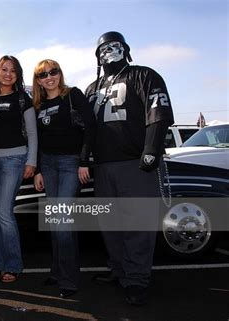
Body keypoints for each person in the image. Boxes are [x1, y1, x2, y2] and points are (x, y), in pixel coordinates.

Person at [84, 31, 174, 306]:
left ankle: (136, 279)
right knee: (110, 224)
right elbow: (86, 129)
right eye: (102, 48)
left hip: (134, 163)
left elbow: (158, 112)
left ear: (125, 48)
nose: (107, 51)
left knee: (138, 224)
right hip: (103, 166)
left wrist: (151, 150)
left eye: (113, 46)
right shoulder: (91, 88)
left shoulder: (144, 75)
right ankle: (119, 269)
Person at [32, 59, 95, 298]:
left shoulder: (73, 95)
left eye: (53, 72)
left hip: (70, 164)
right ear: (38, 80)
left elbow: (90, 128)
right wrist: (38, 169)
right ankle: (57, 272)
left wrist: (83, 161)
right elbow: (36, 140)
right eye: (43, 75)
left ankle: (69, 280)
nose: (49, 77)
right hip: (48, 164)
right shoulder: (37, 105)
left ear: (60, 73)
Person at [0, 55, 37, 283]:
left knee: (4, 213)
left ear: (18, 75)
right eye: (4, 69)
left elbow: (33, 133)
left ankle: (13, 265)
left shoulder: (23, 99)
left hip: (14, 160)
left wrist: (31, 161)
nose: (8, 74)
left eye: (12, 71)